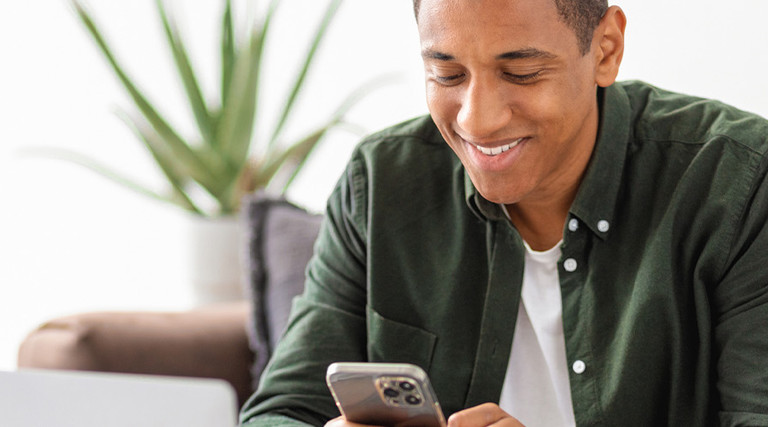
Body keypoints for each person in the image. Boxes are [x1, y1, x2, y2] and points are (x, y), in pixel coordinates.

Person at [240, 0, 768, 425]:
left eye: (521, 73)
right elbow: (280, 410)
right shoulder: (379, 183)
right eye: (446, 75)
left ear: (606, 48)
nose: (479, 119)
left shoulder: (737, 183)